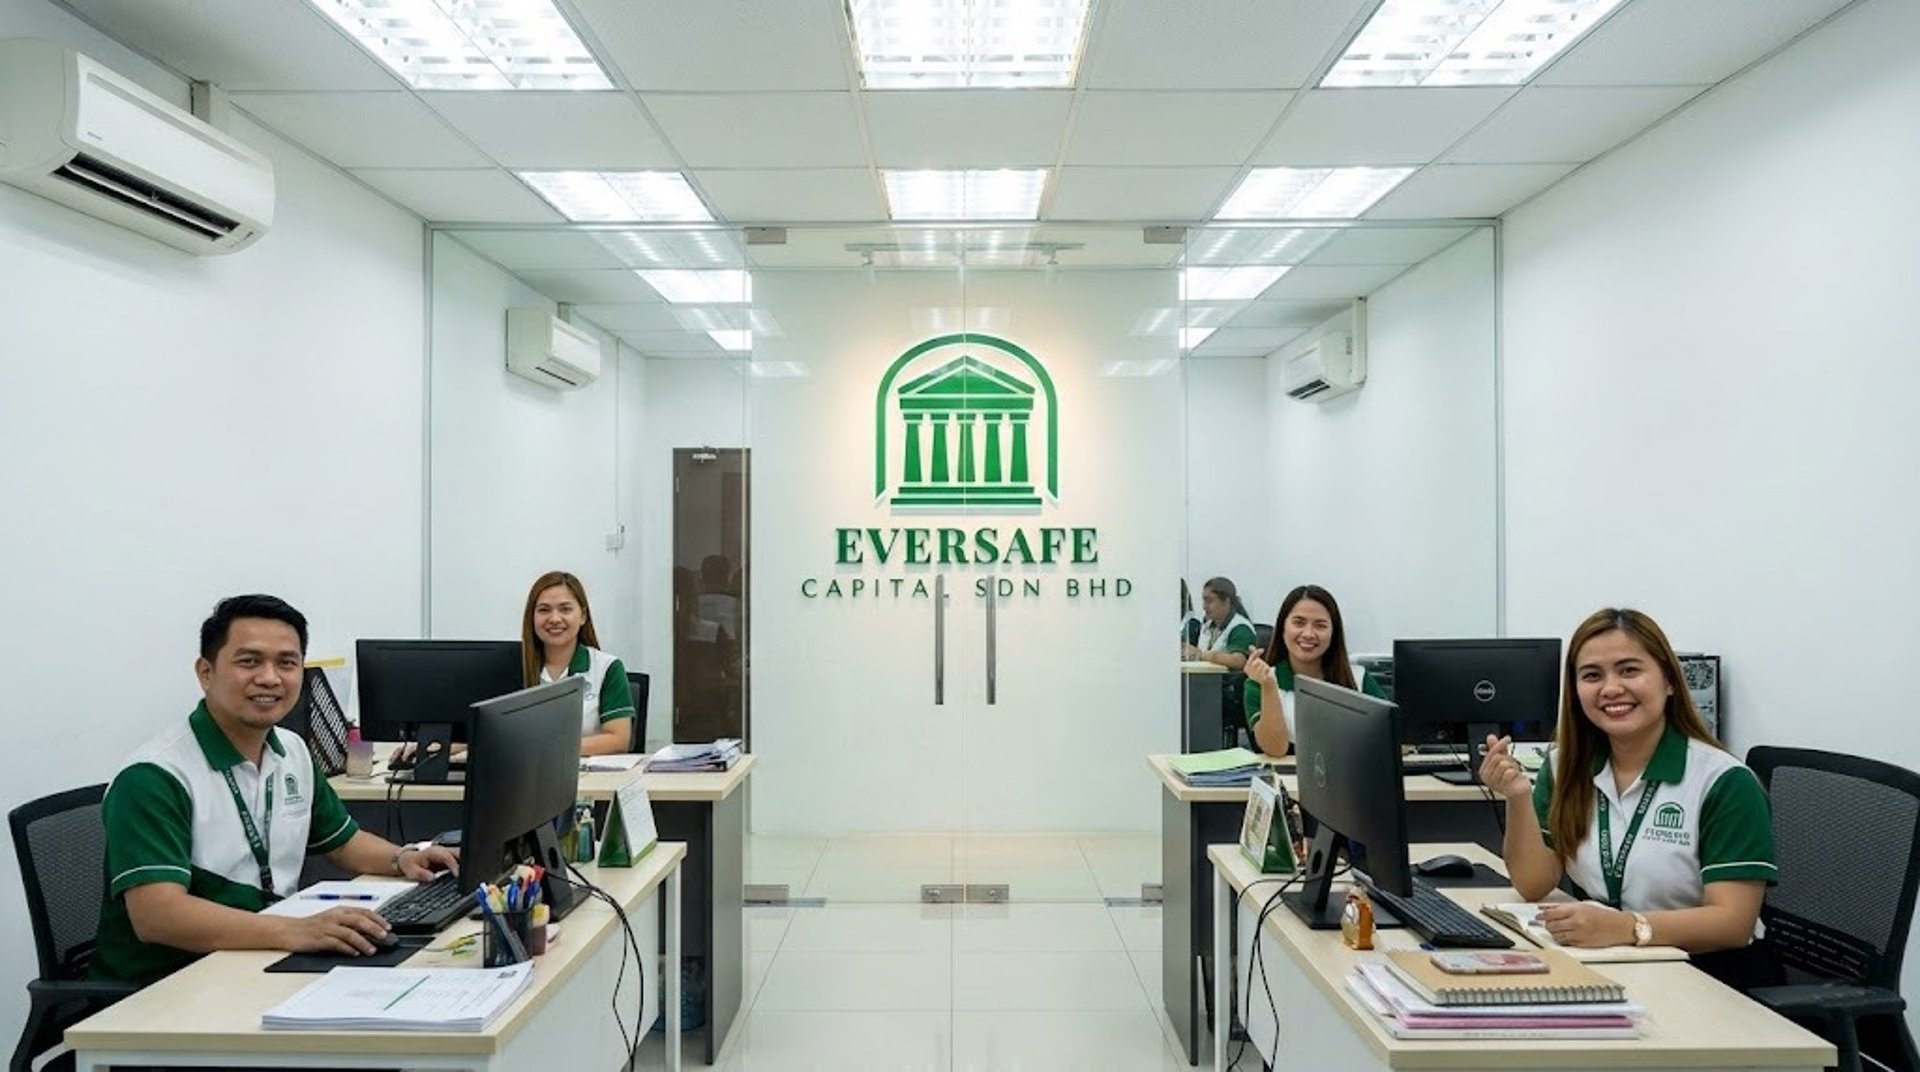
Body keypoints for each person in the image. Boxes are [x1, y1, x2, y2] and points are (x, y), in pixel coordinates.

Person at [93, 595, 460, 983]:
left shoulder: (293, 750)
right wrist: (297, 931)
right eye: (249, 661)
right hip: (163, 986)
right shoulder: (156, 776)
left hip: (255, 957)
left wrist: (403, 858)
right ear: (206, 672)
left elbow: (342, 842)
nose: (270, 678)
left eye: (287, 663)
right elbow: (158, 916)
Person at [1479, 608, 1777, 983]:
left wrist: (1628, 928)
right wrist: (1518, 797)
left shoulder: (1724, 782)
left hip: (1713, 974)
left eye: (1629, 670)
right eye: (1591, 676)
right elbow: (1534, 885)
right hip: (1616, 963)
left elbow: (1733, 922)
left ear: (1669, 680)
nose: (1610, 688)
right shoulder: (1565, 768)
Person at [1243, 584, 1385, 756]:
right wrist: (1269, 686)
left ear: (1333, 633)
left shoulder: (1358, 678)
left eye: (1320, 625)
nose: (1308, 633)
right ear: (1282, 628)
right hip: (1287, 779)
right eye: (1299, 623)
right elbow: (1275, 749)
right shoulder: (1260, 682)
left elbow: (1395, 738)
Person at [522, 570, 637, 756]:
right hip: (524, 778)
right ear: (532, 617)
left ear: (583, 616)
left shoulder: (607, 667)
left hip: (589, 779)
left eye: (565, 609)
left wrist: (551, 750)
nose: (554, 619)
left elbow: (618, 739)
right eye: (544, 610)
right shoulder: (512, 666)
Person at [1180, 576, 1256, 671]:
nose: (1204, 606)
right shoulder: (1207, 625)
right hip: (1208, 681)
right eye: (1204, 601)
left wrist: (1201, 654)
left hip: (1229, 684)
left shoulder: (1240, 628)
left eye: (1209, 601)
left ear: (1226, 602)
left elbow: (1239, 661)